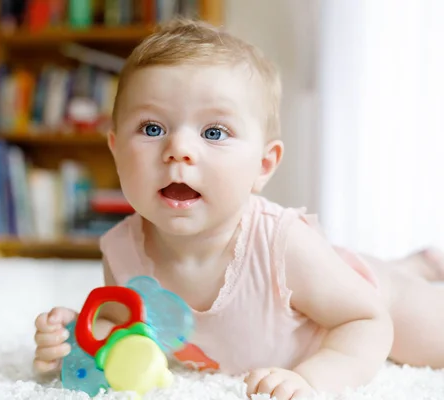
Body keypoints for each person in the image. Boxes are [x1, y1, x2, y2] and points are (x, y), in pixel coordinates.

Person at [32, 18, 444, 400]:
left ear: (263, 166)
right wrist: (78, 337)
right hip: (320, 281)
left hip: (367, 294)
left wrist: (312, 379)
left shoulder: (283, 245)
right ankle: (415, 263)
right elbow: (131, 329)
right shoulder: (122, 251)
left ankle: (410, 271)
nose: (179, 150)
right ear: (116, 149)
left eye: (214, 132)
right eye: (152, 128)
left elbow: (366, 321)